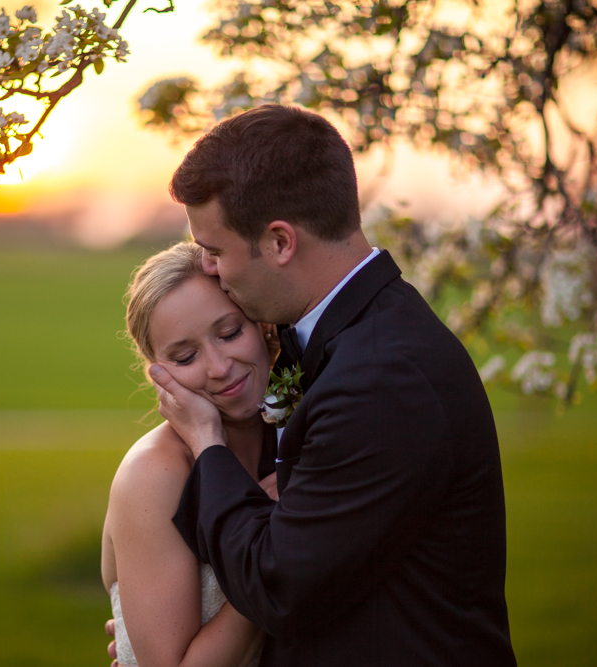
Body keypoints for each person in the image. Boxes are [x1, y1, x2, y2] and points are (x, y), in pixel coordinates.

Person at [136, 104, 519, 666]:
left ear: (280, 243)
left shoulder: (379, 379)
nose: (210, 270)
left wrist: (208, 444)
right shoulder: (355, 334)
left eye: (214, 251)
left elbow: (278, 587)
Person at [101, 241, 279, 667]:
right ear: (158, 372)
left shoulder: (307, 429)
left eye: (230, 332)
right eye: (185, 356)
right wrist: (275, 558)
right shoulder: (155, 474)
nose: (219, 367)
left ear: (262, 326)